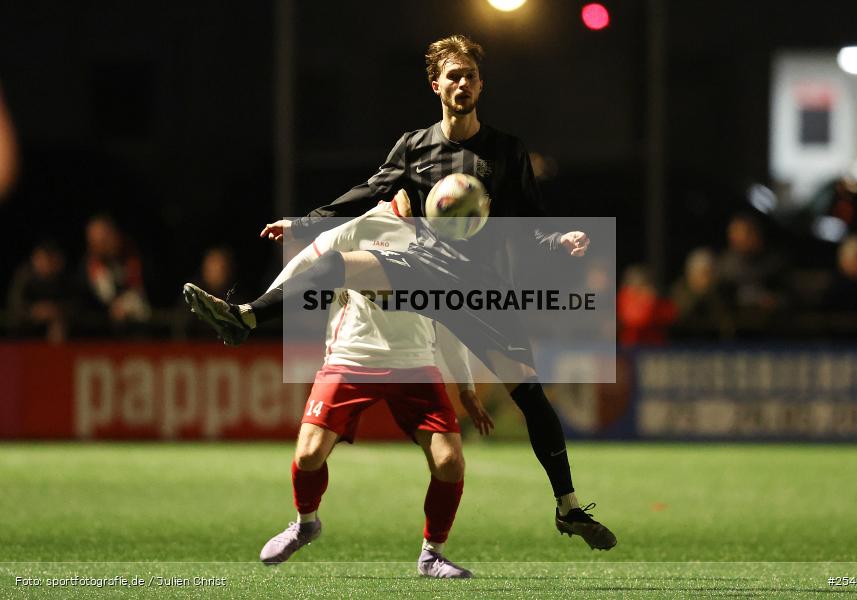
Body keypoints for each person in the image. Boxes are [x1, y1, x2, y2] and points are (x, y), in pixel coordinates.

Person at [185, 34, 615, 551]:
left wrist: (557, 239)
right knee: (335, 266)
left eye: (470, 76)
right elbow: (369, 191)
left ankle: (568, 509)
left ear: (481, 85)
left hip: (478, 290)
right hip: (423, 268)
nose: (462, 83)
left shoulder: (506, 151)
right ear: (436, 85)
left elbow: (530, 221)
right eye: (453, 76)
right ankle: (247, 317)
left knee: (530, 396)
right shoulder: (415, 146)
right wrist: (307, 222)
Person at [189, 191, 492, 578]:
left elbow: (449, 317)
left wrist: (465, 386)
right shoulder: (365, 225)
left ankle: (432, 554)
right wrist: (256, 309)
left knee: (450, 462)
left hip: (416, 364)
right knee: (309, 456)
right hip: (352, 357)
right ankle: (305, 524)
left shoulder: (445, 240)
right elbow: (307, 264)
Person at [7, 240, 72, 342]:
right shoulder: (24, 277)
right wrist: (34, 311)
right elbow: (15, 305)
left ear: (59, 261)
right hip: (25, 333)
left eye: (50, 259)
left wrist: (56, 311)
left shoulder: (66, 279)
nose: (46, 264)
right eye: (41, 259)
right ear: (34, 259)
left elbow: (77, 305)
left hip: (60, 333)